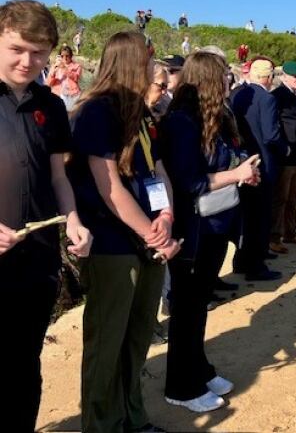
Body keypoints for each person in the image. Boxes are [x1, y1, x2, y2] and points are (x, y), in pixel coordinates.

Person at [68, 31, 180, 432]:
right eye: (150, 61)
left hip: (149, 239)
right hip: (113, 243)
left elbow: (159, 171)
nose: (156, 71)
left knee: (136, 339)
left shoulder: (142, 113)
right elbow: (108, 185)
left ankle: (133, 417)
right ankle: (101, 425)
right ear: (132, 61)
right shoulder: (97, 111)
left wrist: (166, 217)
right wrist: (155, 233)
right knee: (107, 345)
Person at [0, 1, 92, 431]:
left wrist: (72, 220)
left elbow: (58, 177)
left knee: (23, 367)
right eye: (18, 48)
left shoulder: (51, 105)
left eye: (39, 53)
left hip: (37, 261)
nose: (28, 61)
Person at [160, 51, 260, 413]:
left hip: (215, 224)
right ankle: (180, 386)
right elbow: (189, 181)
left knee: (198, 305)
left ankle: (198, 369)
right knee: (186, 309)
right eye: (222, 77)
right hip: (193, 230)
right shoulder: (183, 122)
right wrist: (236, 175)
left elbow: (217, 164)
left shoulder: (210, 118)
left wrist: (243, 169)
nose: (228, 83)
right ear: (206, 81)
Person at [229, 57, 284, 281]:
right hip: (262, 163)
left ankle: (241, 261)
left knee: (247, 215)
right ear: (268, 77)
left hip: (242, 162)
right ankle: (256, 265)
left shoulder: (237, 95)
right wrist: (284, 150)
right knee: (260, 216)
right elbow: (271, 135)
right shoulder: (267, 99)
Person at [269, 61, 296, 254]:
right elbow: (275, 125)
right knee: (280, 198)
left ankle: (290, 232)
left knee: (294, 197)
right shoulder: (277, 96)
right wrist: (283, 149)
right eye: (295, 77)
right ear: (284, 76)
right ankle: (274, 237)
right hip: (286, 157)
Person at [47, 44, 81, 110]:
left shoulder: (77, 66)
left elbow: (76, 78)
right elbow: (48, 83)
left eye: (67, 56)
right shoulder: (55, 66)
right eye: (62, 56)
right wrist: (53, 71)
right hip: (57, 94)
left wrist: (65, 68)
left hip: (72, 95)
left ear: (71, 56)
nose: (65, 58)